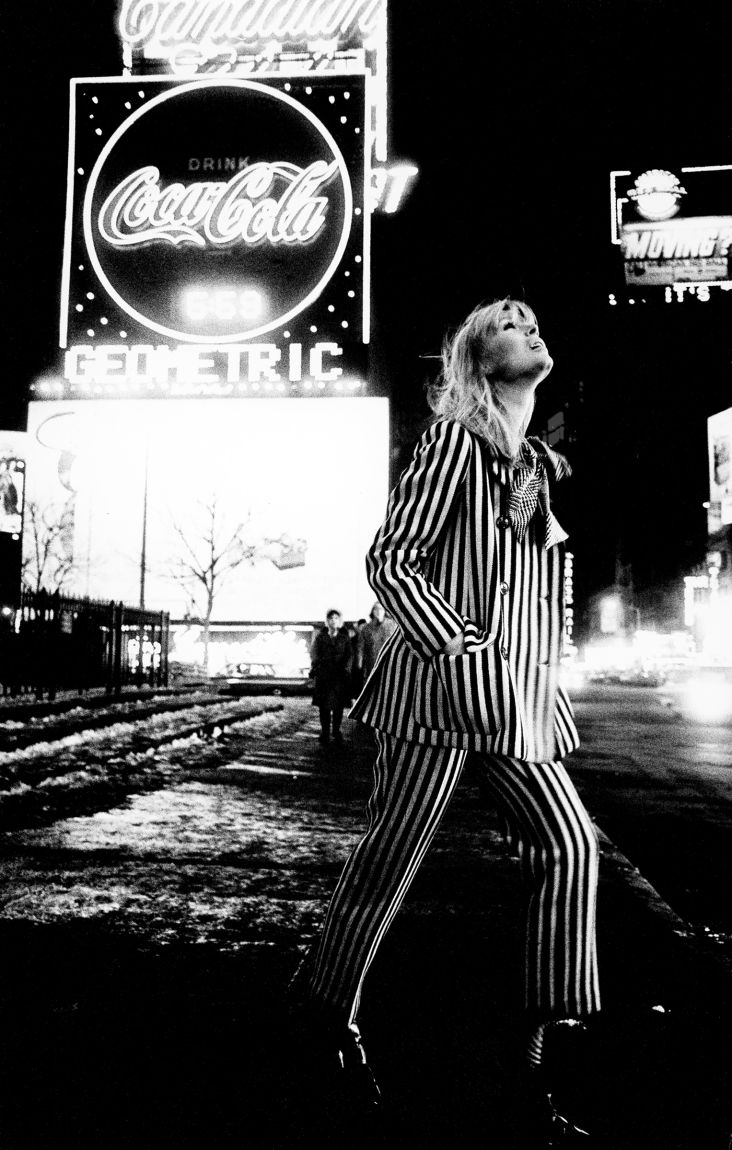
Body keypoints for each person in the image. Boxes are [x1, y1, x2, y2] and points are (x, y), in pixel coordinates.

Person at [295, 299, 600, 1140]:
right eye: (507, 323)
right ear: (474, 357)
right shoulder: (451, 444)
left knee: (569, 848)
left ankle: (536, 1045)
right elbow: (388, 560)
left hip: (515, 701)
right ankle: (322, 1017)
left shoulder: (533, 461)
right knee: (388, 861)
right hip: (438, 692)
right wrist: (454, 642)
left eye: (535, 320)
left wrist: (543, 677)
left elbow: (534, 591)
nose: (530, 327)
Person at [310, 609, 353, 746]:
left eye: (336, 618)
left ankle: (336, 730)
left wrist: (346, 670)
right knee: (324, 707)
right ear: (327, 621)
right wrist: (316, 667)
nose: (333, 620)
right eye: (331, 618)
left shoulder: (344, 638)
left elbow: (349, 655)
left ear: (340, 621)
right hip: (324, 677)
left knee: (338, 707)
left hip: (339, 677)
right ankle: (325, 731)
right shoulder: (320, 637)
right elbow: (314, 653)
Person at [358, 601, 397, 682]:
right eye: (376, 609)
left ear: (385, 611)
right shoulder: (366, 628)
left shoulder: (392, 626)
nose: (378, 611)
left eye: (381, 609)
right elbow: (361, 647)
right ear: (373, 611)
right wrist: (359, 662)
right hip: (371, 663)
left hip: (388, 663)